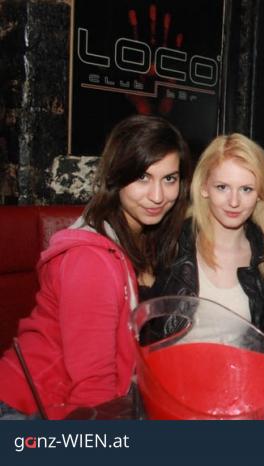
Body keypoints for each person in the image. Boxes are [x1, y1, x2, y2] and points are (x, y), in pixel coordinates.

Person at [0, 115, 191, 419]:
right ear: (117, 176)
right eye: (143, 177)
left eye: (169, 179)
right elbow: (92, 389)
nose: (158, 196)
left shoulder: (144, 237)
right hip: (27, 407)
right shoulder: (92, 261)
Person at [150, 134, 264, 328]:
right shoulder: (170, 241)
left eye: (246, 189)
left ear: (260, 194)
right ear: (204, 187)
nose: (234, 202)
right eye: (222, 187)